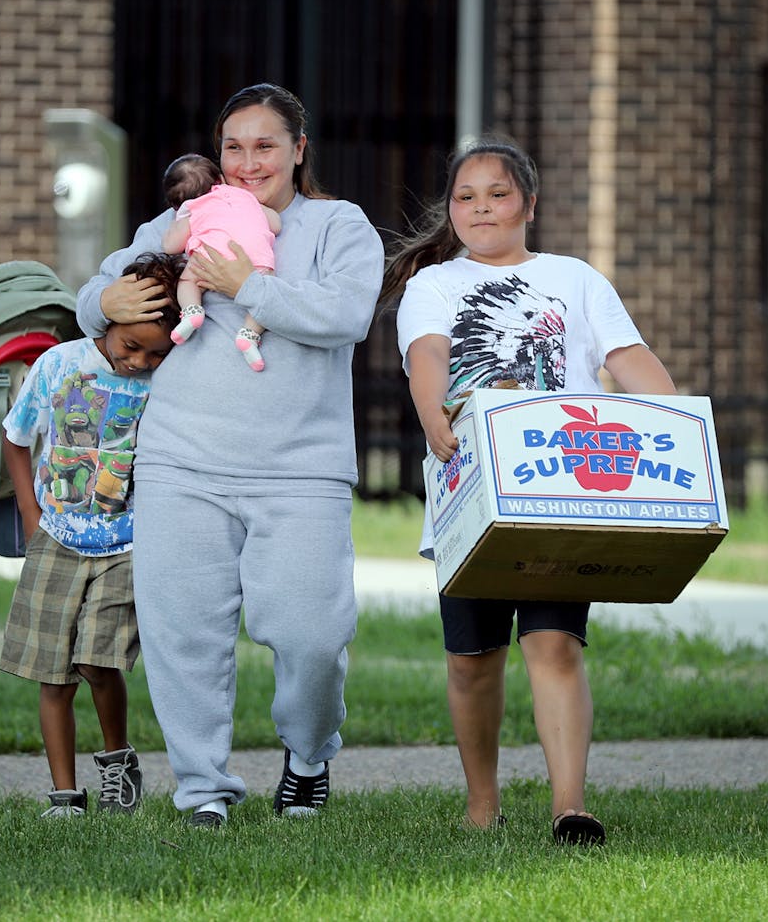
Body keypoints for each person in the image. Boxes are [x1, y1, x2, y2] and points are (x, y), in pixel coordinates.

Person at [75, 83, 382, 828]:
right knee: (185, 635)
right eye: (233, 148)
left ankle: (308, 754)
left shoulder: (339, 226)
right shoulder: (186, 217)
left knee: (313, 636)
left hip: (301, 470)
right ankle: (202, 788)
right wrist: (102, 304)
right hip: (182, 461)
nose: (248, 163)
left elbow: (346, 314)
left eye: (265, 146)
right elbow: (97, 289)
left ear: (298, 150)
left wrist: (252, 287)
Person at [380, 134, 677, 845]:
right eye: (466, 197)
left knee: (554, 644)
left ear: (530, 204)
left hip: (560, 495)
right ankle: (482, 803)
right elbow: (428, 359)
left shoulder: (575, 278)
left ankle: (569, 807)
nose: (482, 208)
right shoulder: (434, 285)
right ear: (451, 210)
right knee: (472, 659)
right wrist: (431, 411)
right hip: (470, 493)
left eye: (499, 194)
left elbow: (627, 358)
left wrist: (678, 421)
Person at [0, 252, 183, 818]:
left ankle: (117, 764)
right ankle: (63, 795)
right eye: (131, 347)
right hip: (56, 537)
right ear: (107, 323)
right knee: (52, 674)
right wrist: (30, 514)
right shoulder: (58, 366)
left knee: (98, 662)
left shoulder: (165, 383)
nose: (140, 361)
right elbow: (15, 437)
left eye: (156, 352)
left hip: (126, 544)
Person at [159, 154, 281, 371]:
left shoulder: (191, 207)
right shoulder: (244, 195)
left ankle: (192, 311)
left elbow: (171, 246)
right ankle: (249, 335)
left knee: (187, 280)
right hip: (257, 257)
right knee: (265, 293)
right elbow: (276, 224)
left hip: (211, 256)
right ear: (221, 180)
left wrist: (177, 224)